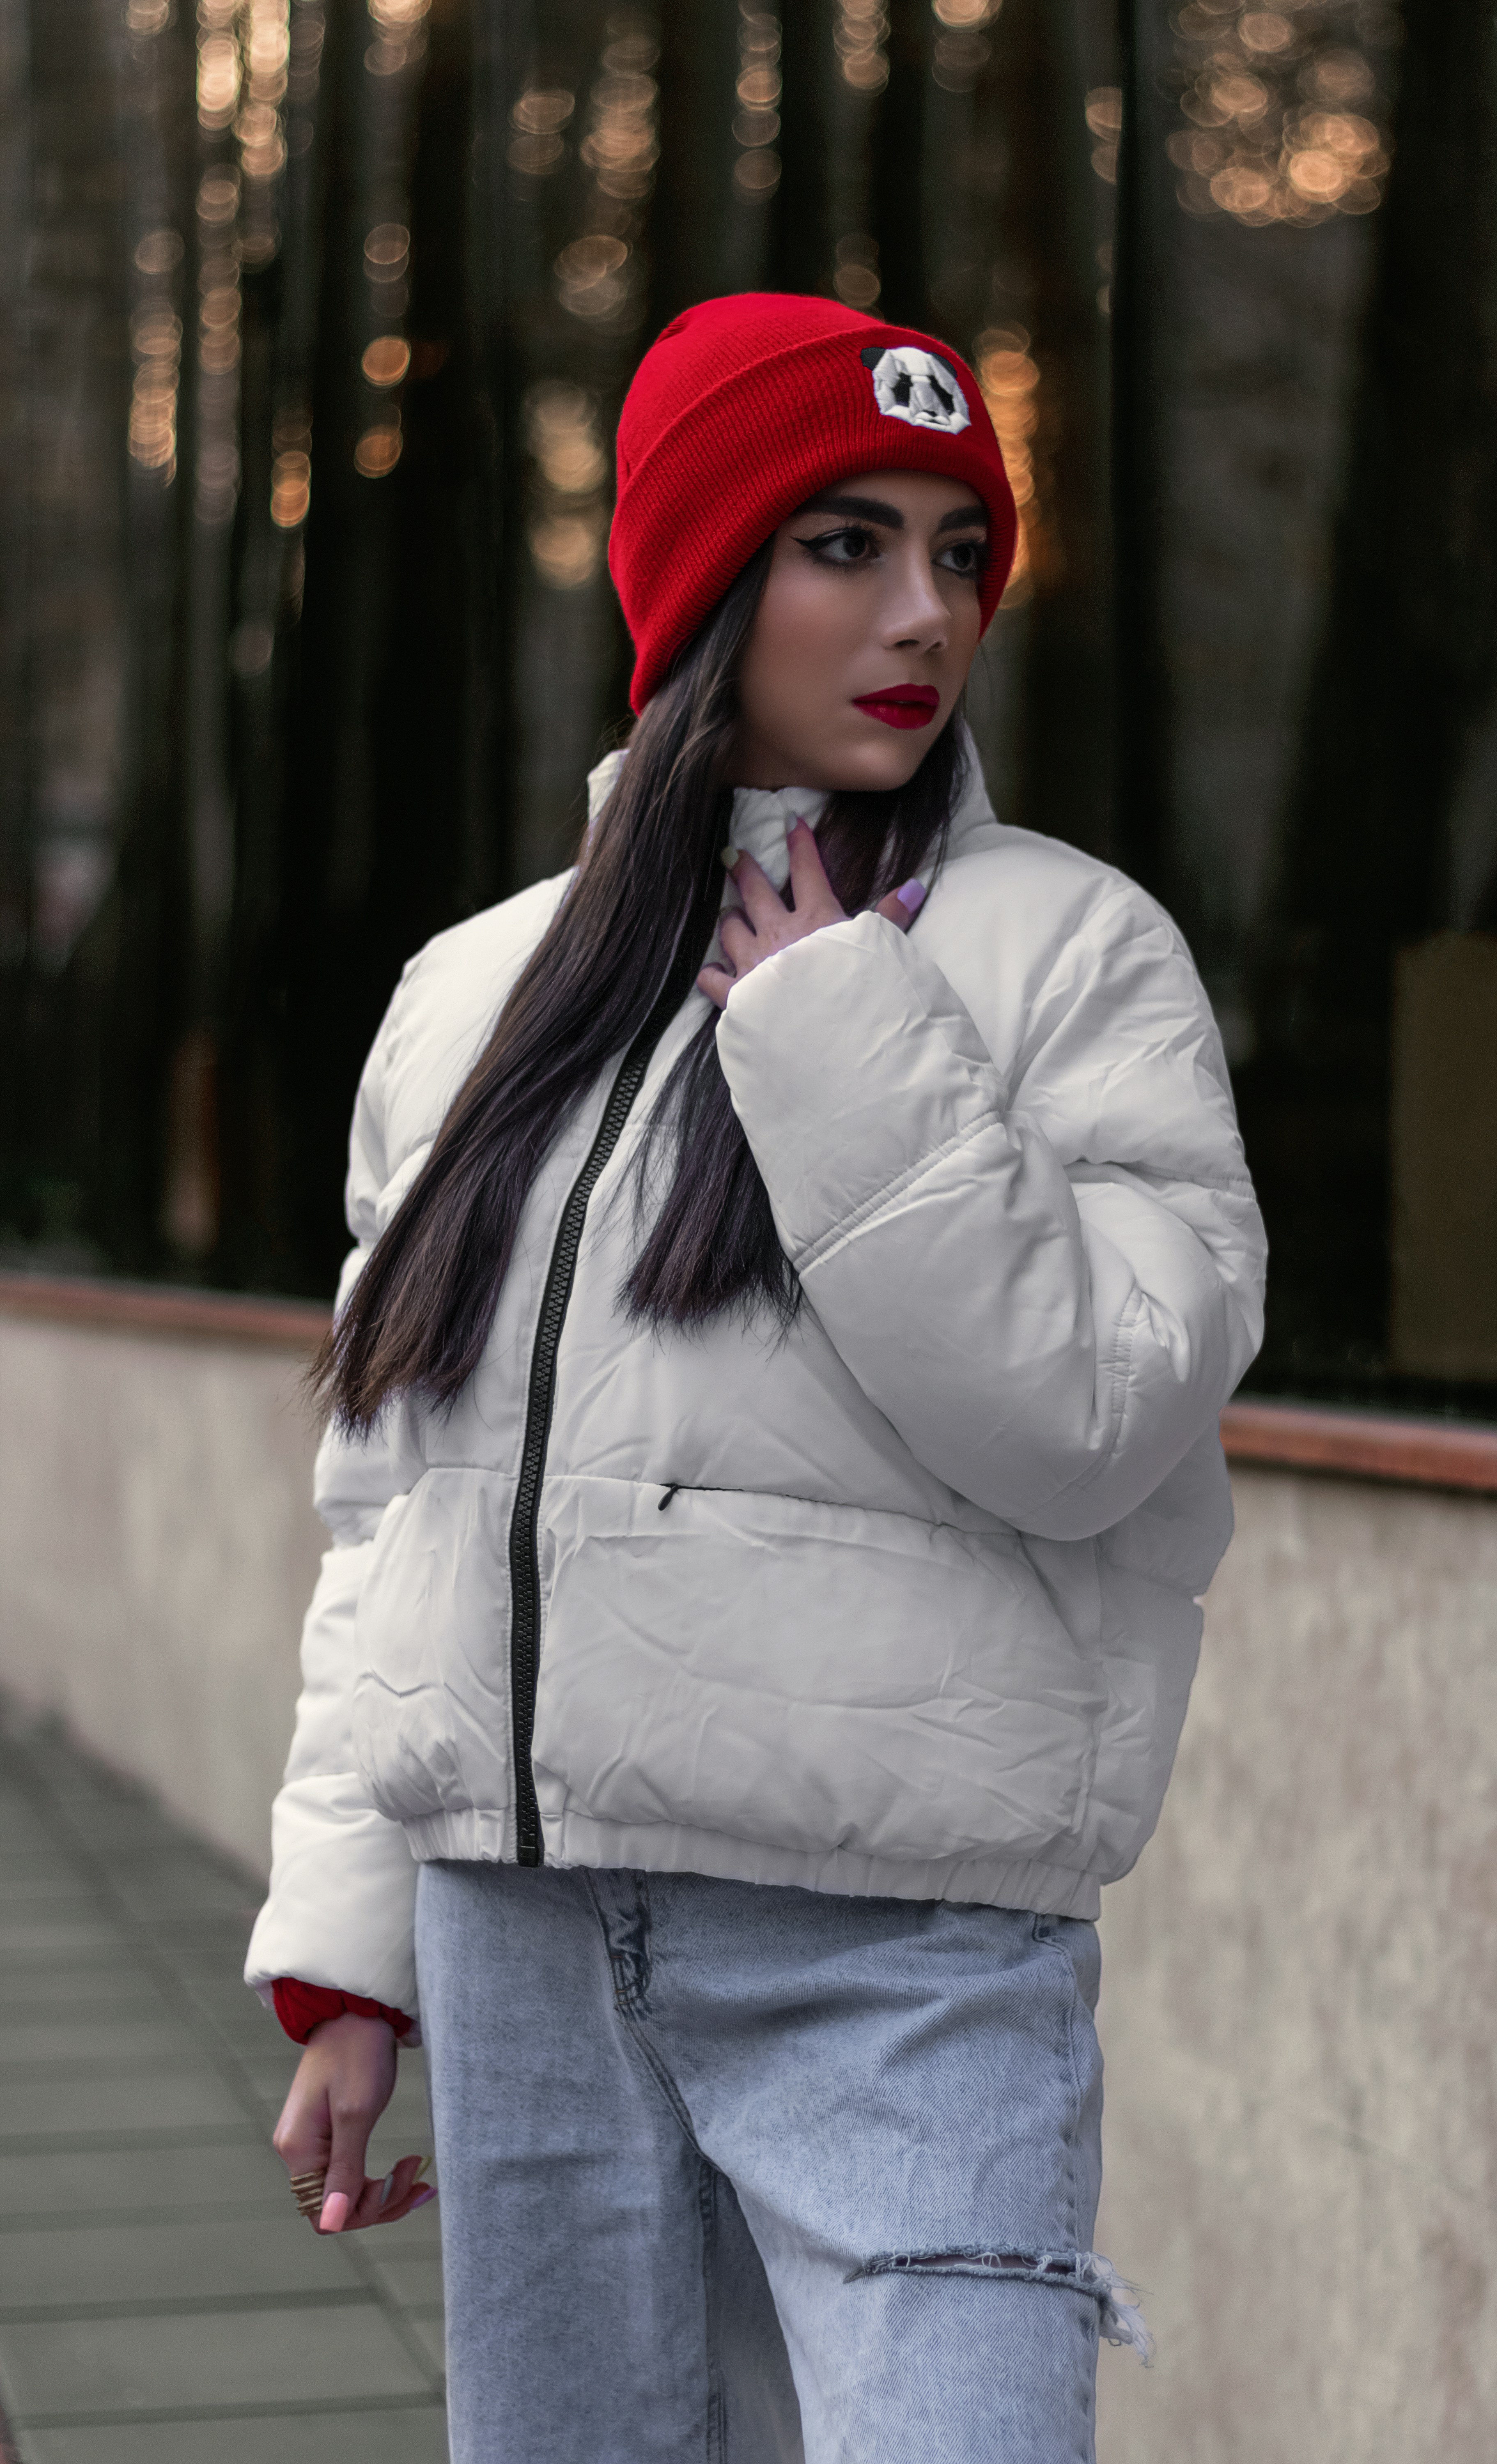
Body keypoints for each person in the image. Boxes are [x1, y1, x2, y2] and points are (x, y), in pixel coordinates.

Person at [246, 291, 1266, 2462]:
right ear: (701, 578)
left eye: (958, 552)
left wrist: (836, 1042)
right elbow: (397, 1518)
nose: (925, 614)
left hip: (903, 1960)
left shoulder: (1075, 957)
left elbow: (1094, 1421)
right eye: (845, 544)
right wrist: (349, 1959)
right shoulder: (471, 996)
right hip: (521, 1938)